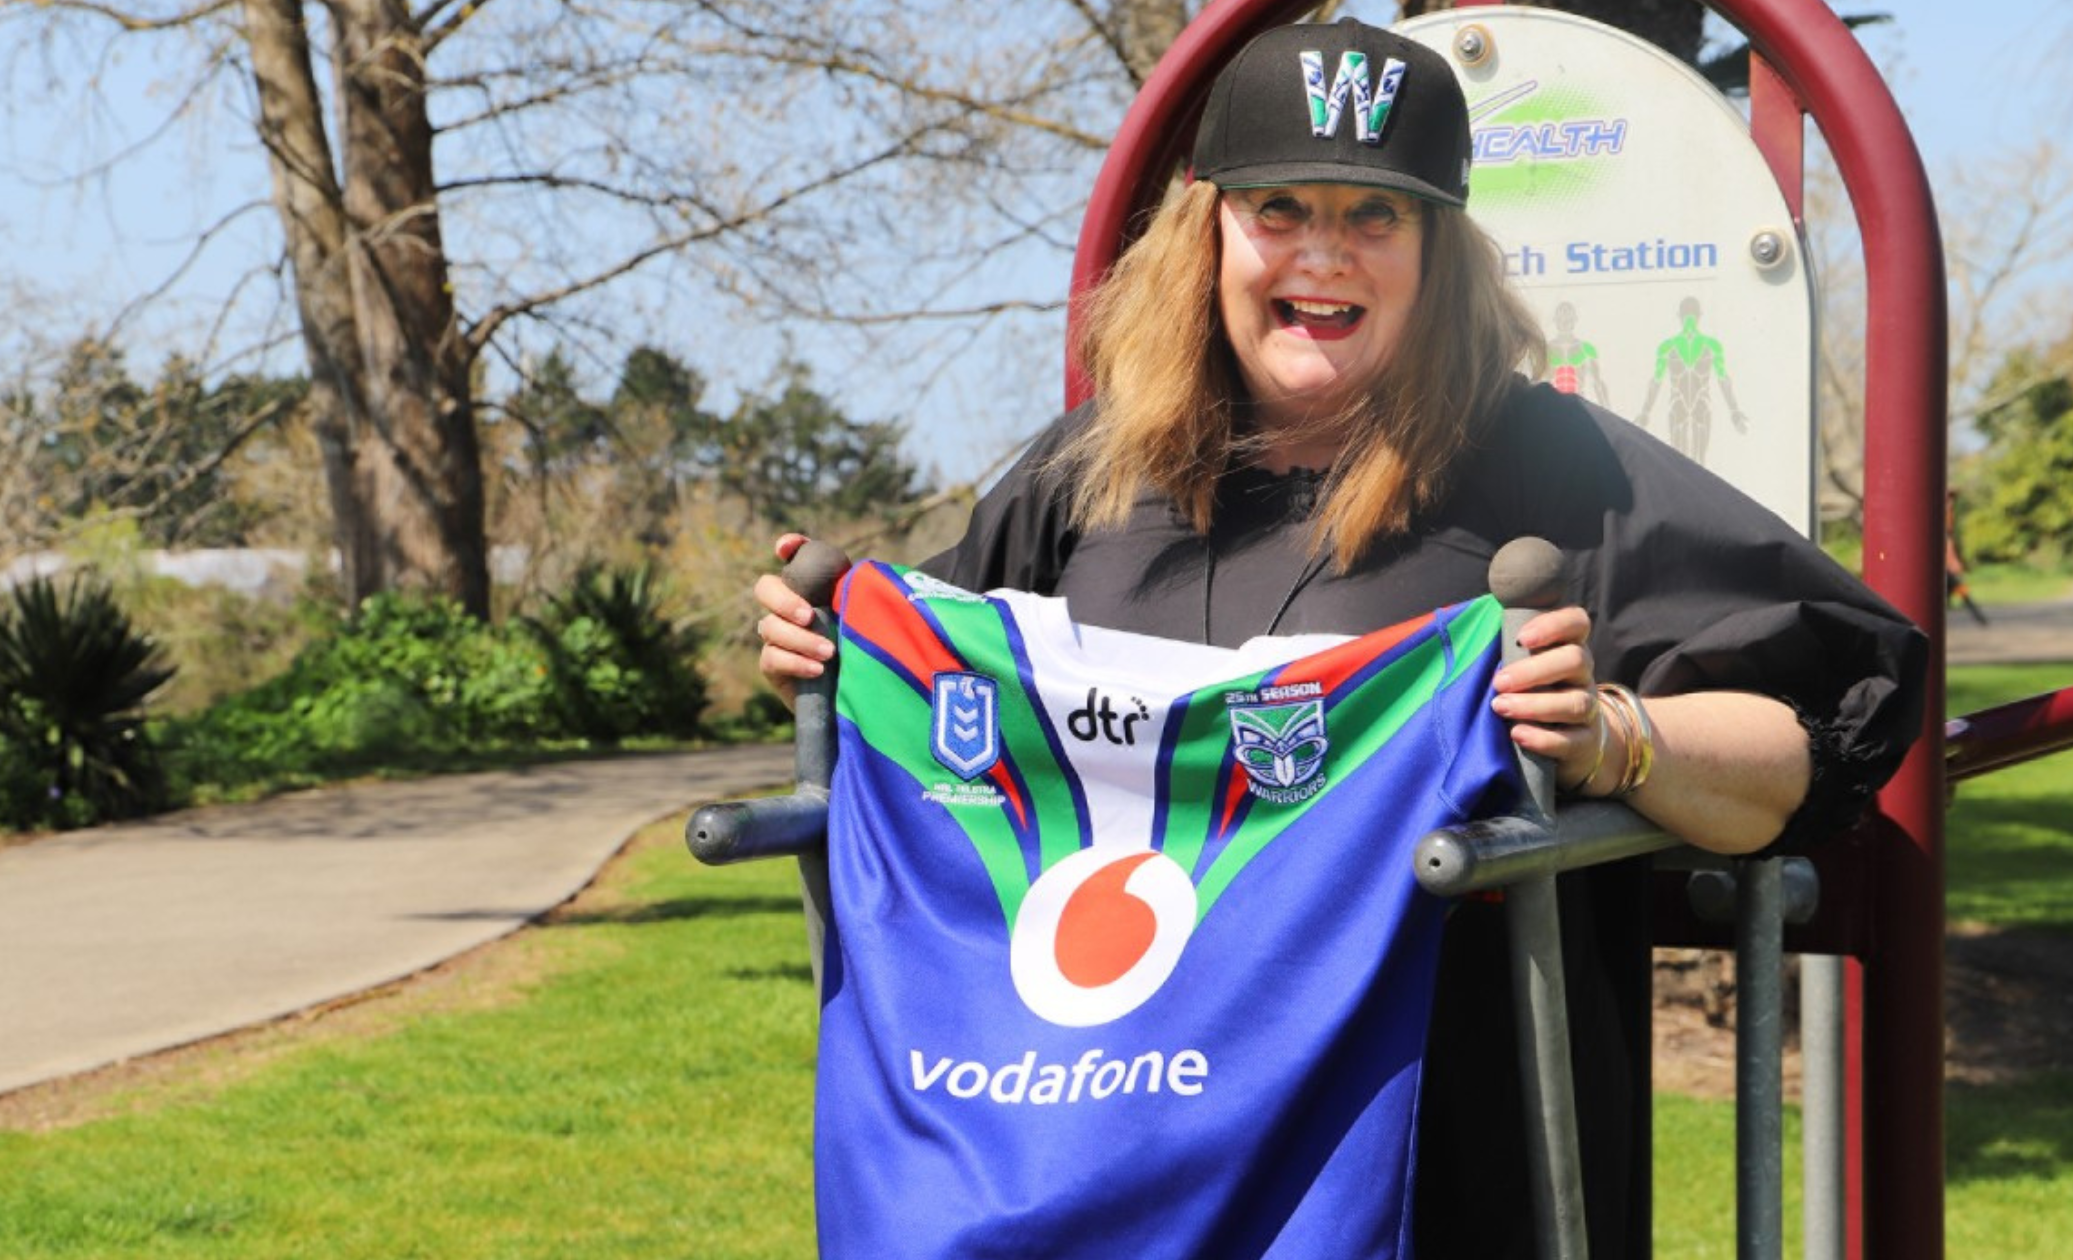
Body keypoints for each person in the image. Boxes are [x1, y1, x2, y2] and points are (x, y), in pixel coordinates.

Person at [755, 17, 1925, 1259]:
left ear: (1438, 252)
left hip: (1442, 1183)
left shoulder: (1547, 468)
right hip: (1109, 1175)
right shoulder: (1082, 475)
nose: (1324, 254)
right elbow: (945, 705)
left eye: (1378, 216)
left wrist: (1612, 740)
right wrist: (823, 653)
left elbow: (1814, 733)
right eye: (1280, 207)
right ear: (1203, 230)